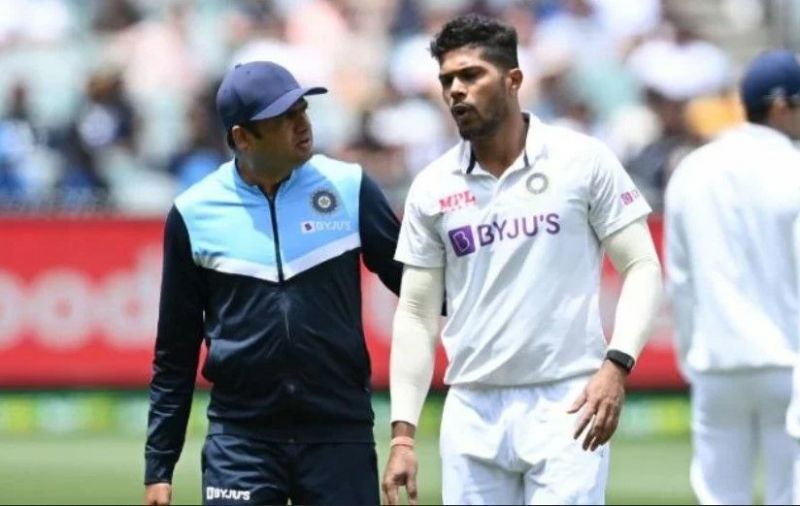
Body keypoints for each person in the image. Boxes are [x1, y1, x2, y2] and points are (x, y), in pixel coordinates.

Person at [381, 14, 663, 505]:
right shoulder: (432, 186)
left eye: (471, 76)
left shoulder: (582, 159)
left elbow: (641, 265)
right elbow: (415, 313)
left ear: (513, 80)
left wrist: (616, 365)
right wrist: (403, 435)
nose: (456, 91)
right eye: (447, 80)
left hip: (568, 402)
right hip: (470, 407)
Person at [143, 61, 402, 506]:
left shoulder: (350, 186)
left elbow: (419, 290)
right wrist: (159, 466)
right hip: (241, 440)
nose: (303, 125)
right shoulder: (193, 212)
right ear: (242, 137)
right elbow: (175, 351)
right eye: (285, 118)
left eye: (302, 110)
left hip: (340, 434)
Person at [665, 49, 800, 505]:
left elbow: (679, 279)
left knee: (720, 498)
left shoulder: (693, 167)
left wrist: (690, 358)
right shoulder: (794, 169)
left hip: (716, 363)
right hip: (789, 363)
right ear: (781, 105)